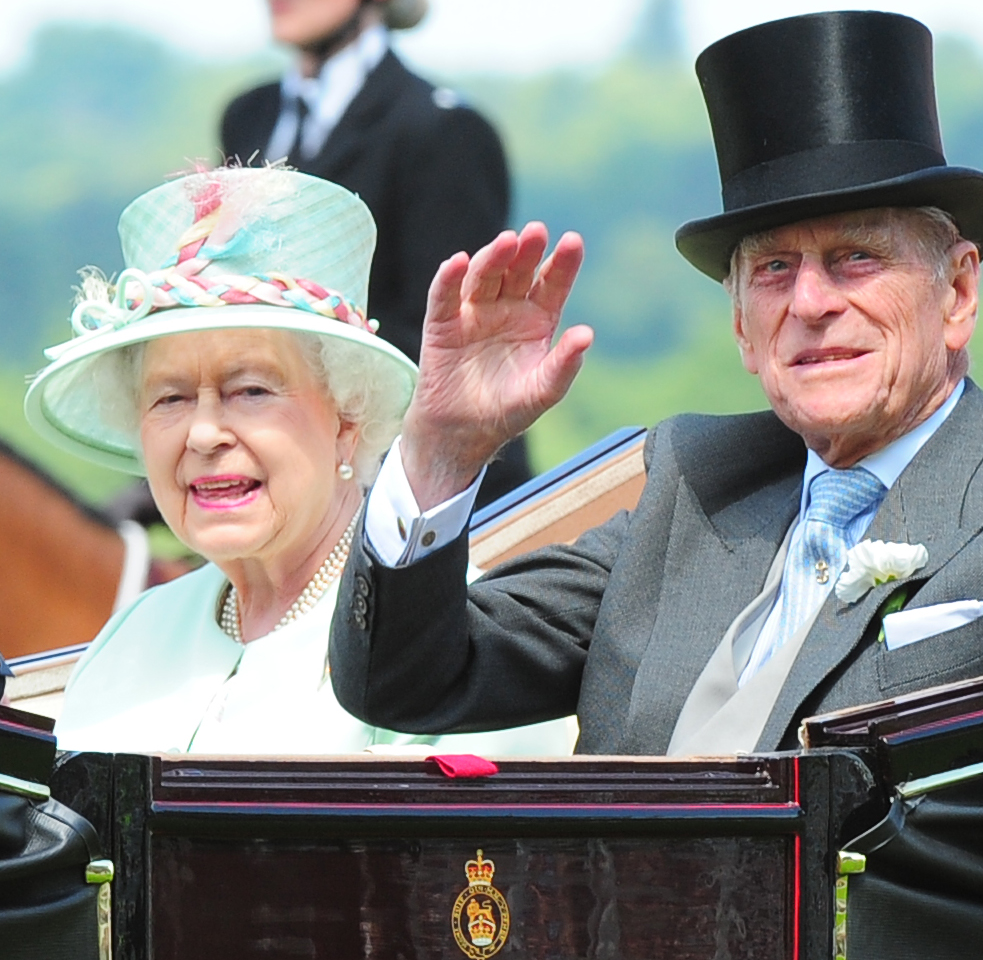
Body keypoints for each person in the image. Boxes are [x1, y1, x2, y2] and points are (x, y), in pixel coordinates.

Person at [328, 10, 983, 756]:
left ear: (959, 291)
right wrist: (443, 450)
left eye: (855, 257)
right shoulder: (696, 485)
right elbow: (407, 683)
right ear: (741, 326)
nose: (812, 302)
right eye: (776, 269)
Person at [25, 166, 572, 756]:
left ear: (348, 419)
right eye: (171, 398)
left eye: (251, 390)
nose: (204, 432)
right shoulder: (128, 638)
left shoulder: (461, 645)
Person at [220, 0, 530, 504]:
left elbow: (437, 357)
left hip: (425, 495)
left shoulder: (443, 132)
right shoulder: (246, 118)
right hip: (277, 473)